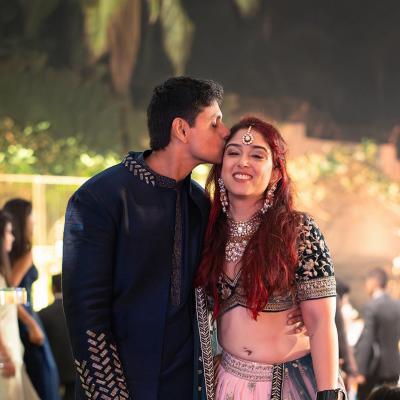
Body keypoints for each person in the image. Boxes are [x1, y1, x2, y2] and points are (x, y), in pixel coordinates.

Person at [62, 76, 304, 400]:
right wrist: (110, 394)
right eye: (214, 122)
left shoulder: (200, 203)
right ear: (181, 129)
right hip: (122, 386)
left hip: (189, 386)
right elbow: (85, 314)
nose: (225, 132)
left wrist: (294, 303)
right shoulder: (100, 199)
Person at [195, 116, 347, 399]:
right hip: (225, 382)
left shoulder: (298, 231)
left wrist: (328, 393)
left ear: (275, 173)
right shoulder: (208, 230)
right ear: (221, 165)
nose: (243, 162)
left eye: (257, 155)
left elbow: (321, 323)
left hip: (290, 384)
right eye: (233, 153)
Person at [3, 198, 60, 400]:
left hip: (17, 320)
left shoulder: (8, 257)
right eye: (31, 217)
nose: (34, 222)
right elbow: (7, 293)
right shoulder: (26, 255)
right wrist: (31, 323)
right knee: (44, 379)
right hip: (25, 320)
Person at [0, 209, 39, 399]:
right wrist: (5, 357)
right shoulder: (25, 255)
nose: (12, 237)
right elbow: (6, 296)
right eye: (8, 232)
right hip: (6, 353)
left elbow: (4, 297)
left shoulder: (3, 273)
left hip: (13, 348)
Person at [355, 267, 400, 400]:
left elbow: (367, 340)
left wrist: (361, 371)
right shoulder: (397, 305)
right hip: (394, 365)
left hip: (374, 367)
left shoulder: (372, 306)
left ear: (373, 282)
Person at [39, 274, 75, 400]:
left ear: (53, 288)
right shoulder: (78, 311)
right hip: (78, 368)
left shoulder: (42, 314)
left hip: (55, 370)